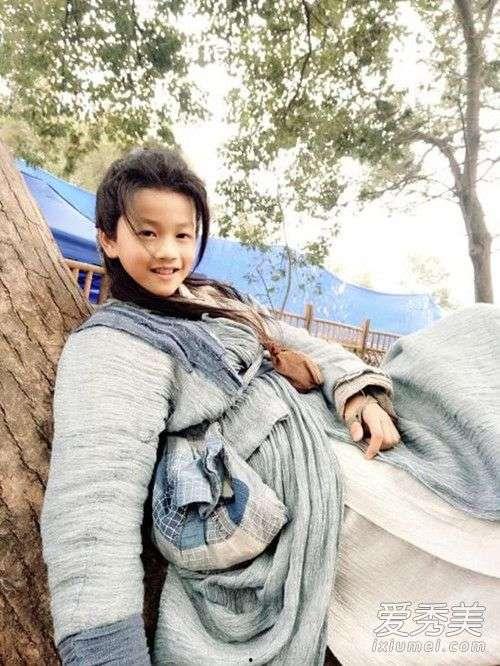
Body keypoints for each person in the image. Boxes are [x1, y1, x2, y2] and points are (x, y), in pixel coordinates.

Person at [40, 147, 500, 665]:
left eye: (183, 235)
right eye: (147, 233)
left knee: (476, 332)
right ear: (108, 238)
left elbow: (301, 341)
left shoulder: (215, 297)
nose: (168, 251)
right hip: (296, 490)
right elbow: (93, 506)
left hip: (334, 430)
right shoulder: (114, 346)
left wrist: (358, 391)